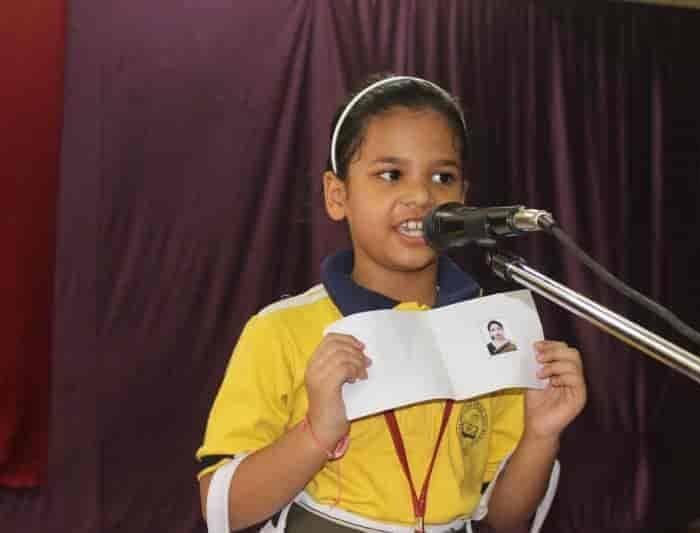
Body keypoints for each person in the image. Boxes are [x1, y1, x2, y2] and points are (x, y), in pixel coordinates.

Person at [196, 74, 587, 533]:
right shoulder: (280, 330)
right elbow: (223, 512)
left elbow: (503, 519)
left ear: (463, 200)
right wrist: (317, 433)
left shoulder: (490, 331)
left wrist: (540, 435)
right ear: (337, 195)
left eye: (442, 177)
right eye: (391, 175)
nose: (421, 196)